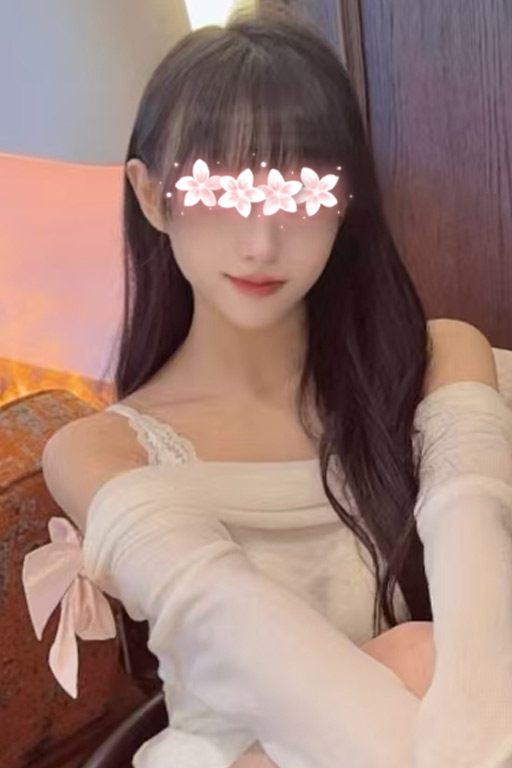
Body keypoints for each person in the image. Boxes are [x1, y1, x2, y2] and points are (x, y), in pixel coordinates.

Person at [24, 4, 512, 768]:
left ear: (345, 202)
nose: (259, 241)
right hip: (233, 759)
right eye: (218, 192)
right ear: (152, 196)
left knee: (423, 653)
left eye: (301, 194)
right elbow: (248, 644)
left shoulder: (438, 358)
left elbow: (486, 639)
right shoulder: (96, 451)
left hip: (447, 730)